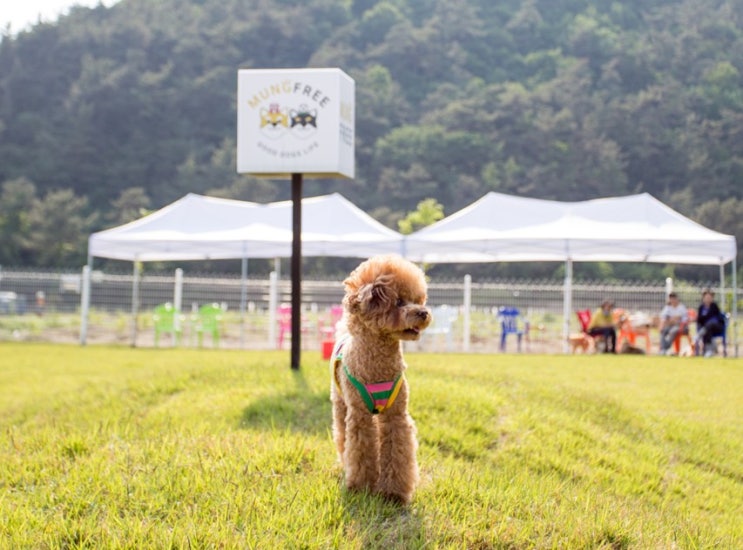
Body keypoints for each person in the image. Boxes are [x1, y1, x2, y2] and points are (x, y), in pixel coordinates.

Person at [695, 289, 725, 357]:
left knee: (710, 325)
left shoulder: (714, 306)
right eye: (706, 297)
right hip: (706, 328)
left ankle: (707, 349)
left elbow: (716, 317)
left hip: (717, 326)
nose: (708, 299)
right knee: (707, 330)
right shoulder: (701, 307)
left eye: (709, 297)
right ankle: (708, 351)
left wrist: (705, 317)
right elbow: (699, 319)